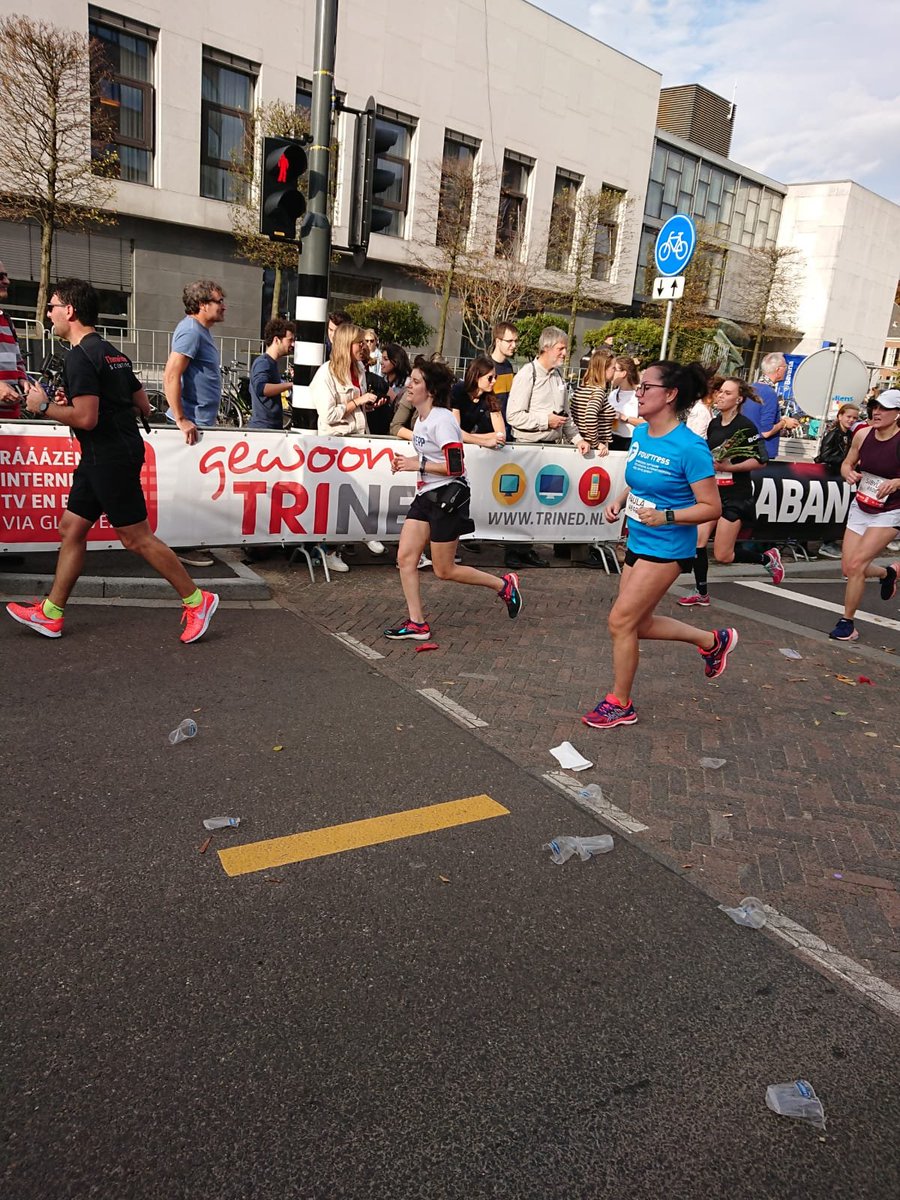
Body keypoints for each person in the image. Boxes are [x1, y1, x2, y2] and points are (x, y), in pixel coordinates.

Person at [6, 279, 218, 643]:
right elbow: (143, 404)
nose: (48, 314)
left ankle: (197, 600)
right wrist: (85, 401)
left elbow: (86, 418)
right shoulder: (110, 351)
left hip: (109, 456)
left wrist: (43, 406)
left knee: (135, 538)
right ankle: (51, 613)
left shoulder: (79, 357)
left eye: (52, 307)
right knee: (71, 529)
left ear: (69, 310)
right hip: (106, 453)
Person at [581, 360, 736, 730]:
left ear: (670, 395)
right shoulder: (640, 434)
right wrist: (620, 499)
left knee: (620, 621)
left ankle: (620, 703)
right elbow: (640, 480)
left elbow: (711, 507)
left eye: (646, 387)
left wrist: (667, 516)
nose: (639, 393)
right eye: (640, 386)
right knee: (637, 624)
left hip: (668, 547)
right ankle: (712, 641)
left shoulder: (690, 447)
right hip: (638, 539)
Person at [384, 359, 522, 640]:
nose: (409, 385)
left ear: (431, 390)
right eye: (410, 380)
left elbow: (455, 466)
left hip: (448, 497)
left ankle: (503, 585)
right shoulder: (421, 419)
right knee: (405, 558)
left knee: (444, 570)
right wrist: (408, 461)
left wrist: (418, 465)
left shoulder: (442, 420)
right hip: (426, 495)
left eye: (416, 382)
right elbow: (429, 456)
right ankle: (417, 623)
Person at [678, 377, 784, 608]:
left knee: (723, 555)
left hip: (736, 495)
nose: (721, 396)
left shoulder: (746, 426)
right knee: (698, 541)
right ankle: (701, 592)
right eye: (720, 392)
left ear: (738, 399)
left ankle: (767, 558)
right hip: (712, 494)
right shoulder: (714, 423)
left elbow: (761, 461)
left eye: (727, 393)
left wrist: (729, 467)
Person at [506, 325, 590, 568]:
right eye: (561, 348)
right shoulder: (527, 374)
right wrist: (546, 421)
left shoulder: (558, 377)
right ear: (546, 347)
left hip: (550, 448)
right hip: (527, 448)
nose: (565, 353)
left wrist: (578, 439)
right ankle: (513, 551)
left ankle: (526, 549)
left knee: (538, 503)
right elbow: (513, 416)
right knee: (521, 501)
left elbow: (565, 416)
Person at [309, 322, 386, 570]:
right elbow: (328, 414)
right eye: (359, 343)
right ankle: (330, 550)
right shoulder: (325, 374)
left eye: (364, 342)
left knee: (362, 489)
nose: (364, 346)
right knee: (338, 498)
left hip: (359, 439)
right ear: (346, 345)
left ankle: (363, 532)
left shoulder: (359, 369)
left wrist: (367, 406)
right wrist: (358, 401)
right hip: (337, 443)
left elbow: (355, 407)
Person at [828, 388, 900, 642]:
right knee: (849, 568)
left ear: (897, 414)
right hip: (861, 505)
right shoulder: (862, 434)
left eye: (884, 409)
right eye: (875, 407)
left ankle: (847, 623)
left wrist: (897, 482)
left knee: (857, 565)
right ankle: (887, 574)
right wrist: (847, 472)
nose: (877, 413)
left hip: (890, 511)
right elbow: (847, 462)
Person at [163, 279, 227, 567]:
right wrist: (181, 419)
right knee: (186, 488)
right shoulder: (190, 331)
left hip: (199, 422)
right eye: (219, 301)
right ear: (202, 305)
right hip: (191, 425)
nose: (224, 306)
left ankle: (185, 542)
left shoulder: (200, 331)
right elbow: (171, 374)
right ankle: (180, 546)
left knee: (193, 486)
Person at [815, 403, 860, 558]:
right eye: (849, 416)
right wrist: (847, 461)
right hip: (829, 476)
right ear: (840, 416)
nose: (851, 420)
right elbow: (824, 456)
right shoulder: (833, 433)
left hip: (840, 477)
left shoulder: (850, 434)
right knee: (828, 509)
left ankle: (830, 541)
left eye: (855, 418)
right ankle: (826, 543)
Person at [743, 352, 799, 459]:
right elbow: (766, 431)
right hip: (762, 453)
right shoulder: (769, 393)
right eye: (785, 367)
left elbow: (756, 418)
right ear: (778, 370)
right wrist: (784, 423)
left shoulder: (750, 389)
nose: (786, 370)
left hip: (747, 448)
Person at [248, 318, 295, 430]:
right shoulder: (263, 362)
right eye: (290, 340)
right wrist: (290, 385)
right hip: (263, 429)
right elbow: (262, 388)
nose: (293, 344)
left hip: (269, 427)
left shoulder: (271, 363)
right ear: (276, 340)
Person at [450, 356, 506, 448]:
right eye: (490, 378)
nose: (494, 381)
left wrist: (467, 437)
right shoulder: (457, 392)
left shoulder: (490, 397)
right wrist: (485, 441)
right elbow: (455, 432)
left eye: (495, 377)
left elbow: (501, 434)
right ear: (476, 377)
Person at [570, 348, 615, 453]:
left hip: (580, 444)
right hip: (594, 450)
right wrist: (596, 443)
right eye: (613, 368)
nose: (615, 371)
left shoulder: (581, 389)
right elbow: (590, 416)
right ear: (604, 369)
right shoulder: (598, 392)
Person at [0, 259, 27, 420]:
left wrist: (23, 380)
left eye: (6, 276)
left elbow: (17, 361)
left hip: (11, 423)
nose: (7, 281)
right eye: (0, 276)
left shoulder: (7, 321)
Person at [607, 356, 642, 451]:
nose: (611, 373)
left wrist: (625, 418)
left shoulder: (639, 396)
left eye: (614, 369)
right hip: (612, 439)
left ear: (623, 373)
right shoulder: (613, 394)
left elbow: (648, 423)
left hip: (631, 442)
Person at [489, 321, 518, 433]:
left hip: (507, 427)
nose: (514, 345)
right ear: (498, 341)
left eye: (515, 341)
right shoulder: (485, 366)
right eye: (509, 341)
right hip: (489, 428)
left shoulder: (508, 366)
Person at [685, 371, 721, 439]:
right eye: (721, 392)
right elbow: (698, 436)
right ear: (716, 392)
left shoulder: (707, 408)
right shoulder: (701, 411)